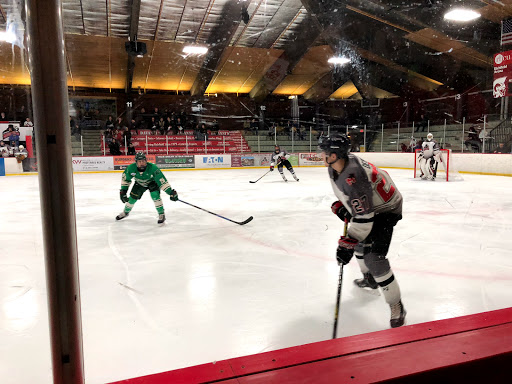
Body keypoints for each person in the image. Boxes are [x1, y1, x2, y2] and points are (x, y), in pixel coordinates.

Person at [318, 133, 406, 328]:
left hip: (386, 210)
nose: (321, 154)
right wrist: (346, 207)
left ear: (334, 155)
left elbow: (365, 218)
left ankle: (396, 305)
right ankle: (370, 279)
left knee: (374, 258)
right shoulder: (340, 165)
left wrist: (346, 244)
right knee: (359, 246)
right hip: (373, 205)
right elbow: (356, 200)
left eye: (325, 151)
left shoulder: (353, 177)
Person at [116, 152, 178, 224]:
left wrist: (170, 192)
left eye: (143, 161)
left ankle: (161, 214)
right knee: (132, 198)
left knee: (155, 195)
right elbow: (125, 179)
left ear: (146, 161)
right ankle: (125, 212)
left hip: (152, 182)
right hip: (139, 183)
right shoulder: (131, 168)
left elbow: (162, 181)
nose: (141, 163)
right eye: (139, 161)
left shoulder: (153, 168)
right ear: (136, 162)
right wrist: (123, 191)